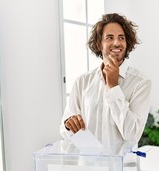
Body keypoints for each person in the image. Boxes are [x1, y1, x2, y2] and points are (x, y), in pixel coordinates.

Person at [60, 13, 151, 144]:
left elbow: (132, 135)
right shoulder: (82, 82)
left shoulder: (141, 83)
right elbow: (64, 130)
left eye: (121, 38)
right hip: (89, 163)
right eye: (109, 37)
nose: (116, 43)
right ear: (99, 44)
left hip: (122, 164)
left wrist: (113, 87)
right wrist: (69, 125)